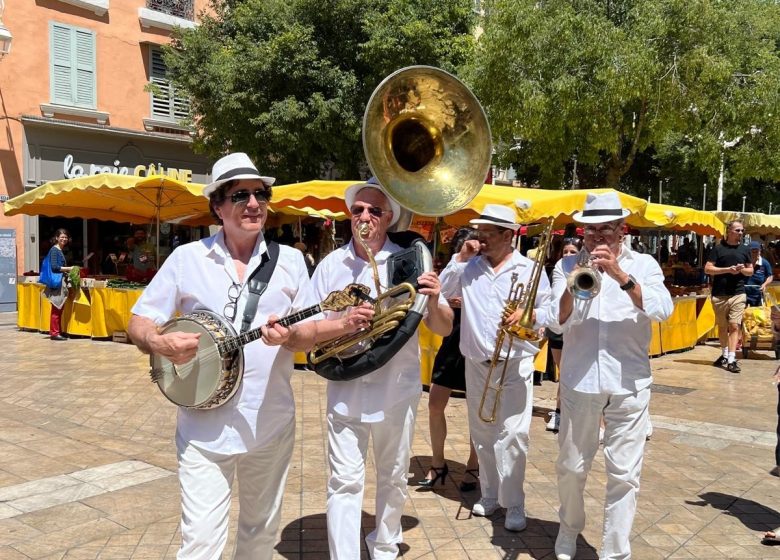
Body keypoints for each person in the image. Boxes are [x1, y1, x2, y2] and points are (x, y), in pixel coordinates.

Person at [126, 152, 370, 560]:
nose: (254, 203)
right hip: (202, 429)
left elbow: (309, 332)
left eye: (261, 194)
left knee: (259, 537)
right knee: (200, 543)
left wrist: (291, 336)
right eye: (241, 195)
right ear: (218, 206)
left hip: (268, 424)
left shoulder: (290, 261)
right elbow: (139, 320)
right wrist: (158, 343)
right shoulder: (187, 259)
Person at [310, 177, 453, 560]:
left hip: (396, 389)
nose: (365, 216)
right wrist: (344, 325)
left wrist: (434, 300)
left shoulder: (409, 261)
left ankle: (385, 546)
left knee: (393, 474)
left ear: (390, 217)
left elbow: (443, 327)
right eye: (358, 210)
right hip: (346, 388)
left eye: (375, 210)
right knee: (343, 481)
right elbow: (309, 329)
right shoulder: (331, 265)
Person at [548, 192, 673, 560]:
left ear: (622, 230)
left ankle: (615, 552)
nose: (597, 237)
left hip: (629, 382)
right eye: (590, 231)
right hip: (580, 380)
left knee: (625, 474)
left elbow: (663, 310)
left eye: (605, 229)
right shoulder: (567, 265)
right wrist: (573, 284)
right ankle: (569, 528)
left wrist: (621, 276)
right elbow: (555, 320)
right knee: (571, 467)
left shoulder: (645, 265)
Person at [439, 204, 551, 532]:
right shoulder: (469, 267)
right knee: (483, 433)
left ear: (508, 235)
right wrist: (460, 258)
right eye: (480, 232)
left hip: (515, 362)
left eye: (488, 233)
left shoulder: (529, 269)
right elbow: (442, 292)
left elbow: (548, 310)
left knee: (514, 435)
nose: (481, 238)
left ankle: (514, 502)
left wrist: (529, 318)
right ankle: (489, 494)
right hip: (477, 363)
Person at [419, 227, 479, 491]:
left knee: (476, 409)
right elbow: (440, 293)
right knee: (435, 403)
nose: (474, 249)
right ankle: (437, 463)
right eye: (467, 245)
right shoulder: (457, 265)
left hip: (477, 338)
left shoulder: (488, 268)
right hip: (453, 336)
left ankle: (474, 465)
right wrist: (461, 258)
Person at [705, 220, 753, 373]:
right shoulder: (718, 249)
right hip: (719, 294)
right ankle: (725, 354)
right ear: (729, 231)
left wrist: (740, 270)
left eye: (742, 230)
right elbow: (708, 269)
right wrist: (727, 270)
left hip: (738, 293)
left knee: (734, 325)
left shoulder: (745, 249)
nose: (741, 233)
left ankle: (732, 359)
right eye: (738, 230)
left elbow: (750, 271)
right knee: (722, 326)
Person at [545, 237, 582, 432]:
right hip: (559, 327)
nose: (568, 255)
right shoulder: (560, 267)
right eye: (565, 251)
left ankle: (566, 411)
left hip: (578, 327)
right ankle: (560, 412)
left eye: (573, 252)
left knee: (573, 372)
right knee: (564, 371)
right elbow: (554, 297)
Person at [44, 228, 73, 341]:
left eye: (66, 237)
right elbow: (54, 267)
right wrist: (69, 268)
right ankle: (54, 333)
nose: (64, 239)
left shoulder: (59, 250)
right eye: (62, 237)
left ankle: (58, 331)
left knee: (59, 307)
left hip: (60, 282)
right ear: (56, 238)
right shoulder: (55, 250)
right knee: (56, 307)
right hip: (57, 283)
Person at [745, 241, 774, 307]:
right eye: (753, 252)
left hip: (758, 294)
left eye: (757, 251)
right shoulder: (744, 261)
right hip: (744, 294)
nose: (755, 254)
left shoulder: (764, 263)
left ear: (760, 251)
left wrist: (765, 284)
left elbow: (770, 276)